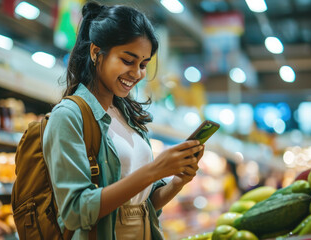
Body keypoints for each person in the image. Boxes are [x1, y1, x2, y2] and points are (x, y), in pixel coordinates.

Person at [42, 1, 205, 239]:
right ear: (96, 52)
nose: (137, 73)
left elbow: (143, 205)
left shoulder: (129, 117)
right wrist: (155, 170)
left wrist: (176, 182)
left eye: (143, 65)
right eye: (128, 61)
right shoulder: (69, 116)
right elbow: (75, 211)